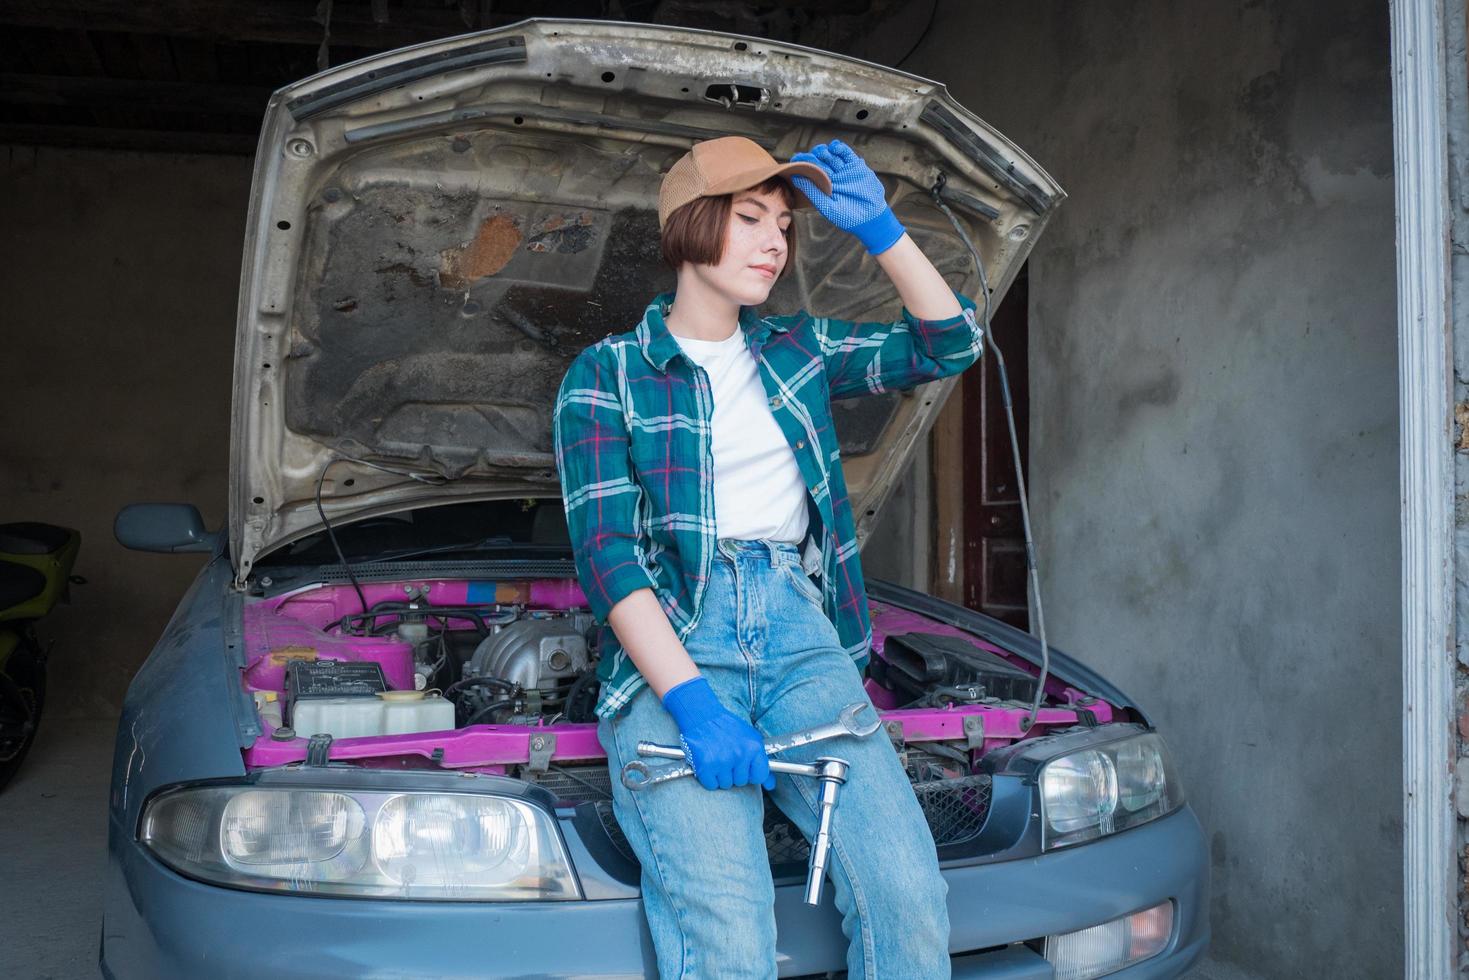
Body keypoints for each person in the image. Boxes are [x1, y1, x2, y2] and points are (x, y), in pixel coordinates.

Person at [553, 134, 983, 979]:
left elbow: (948, 346)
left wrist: (883, 231)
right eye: (750, 218)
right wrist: (694, 707)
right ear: (690, 227)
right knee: (728, 931)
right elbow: (610, 559)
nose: (774, 242)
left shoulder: (797, 349)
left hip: (800, 635)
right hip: (677, 638)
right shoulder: (607, 374)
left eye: (783, 224)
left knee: (905, 893)